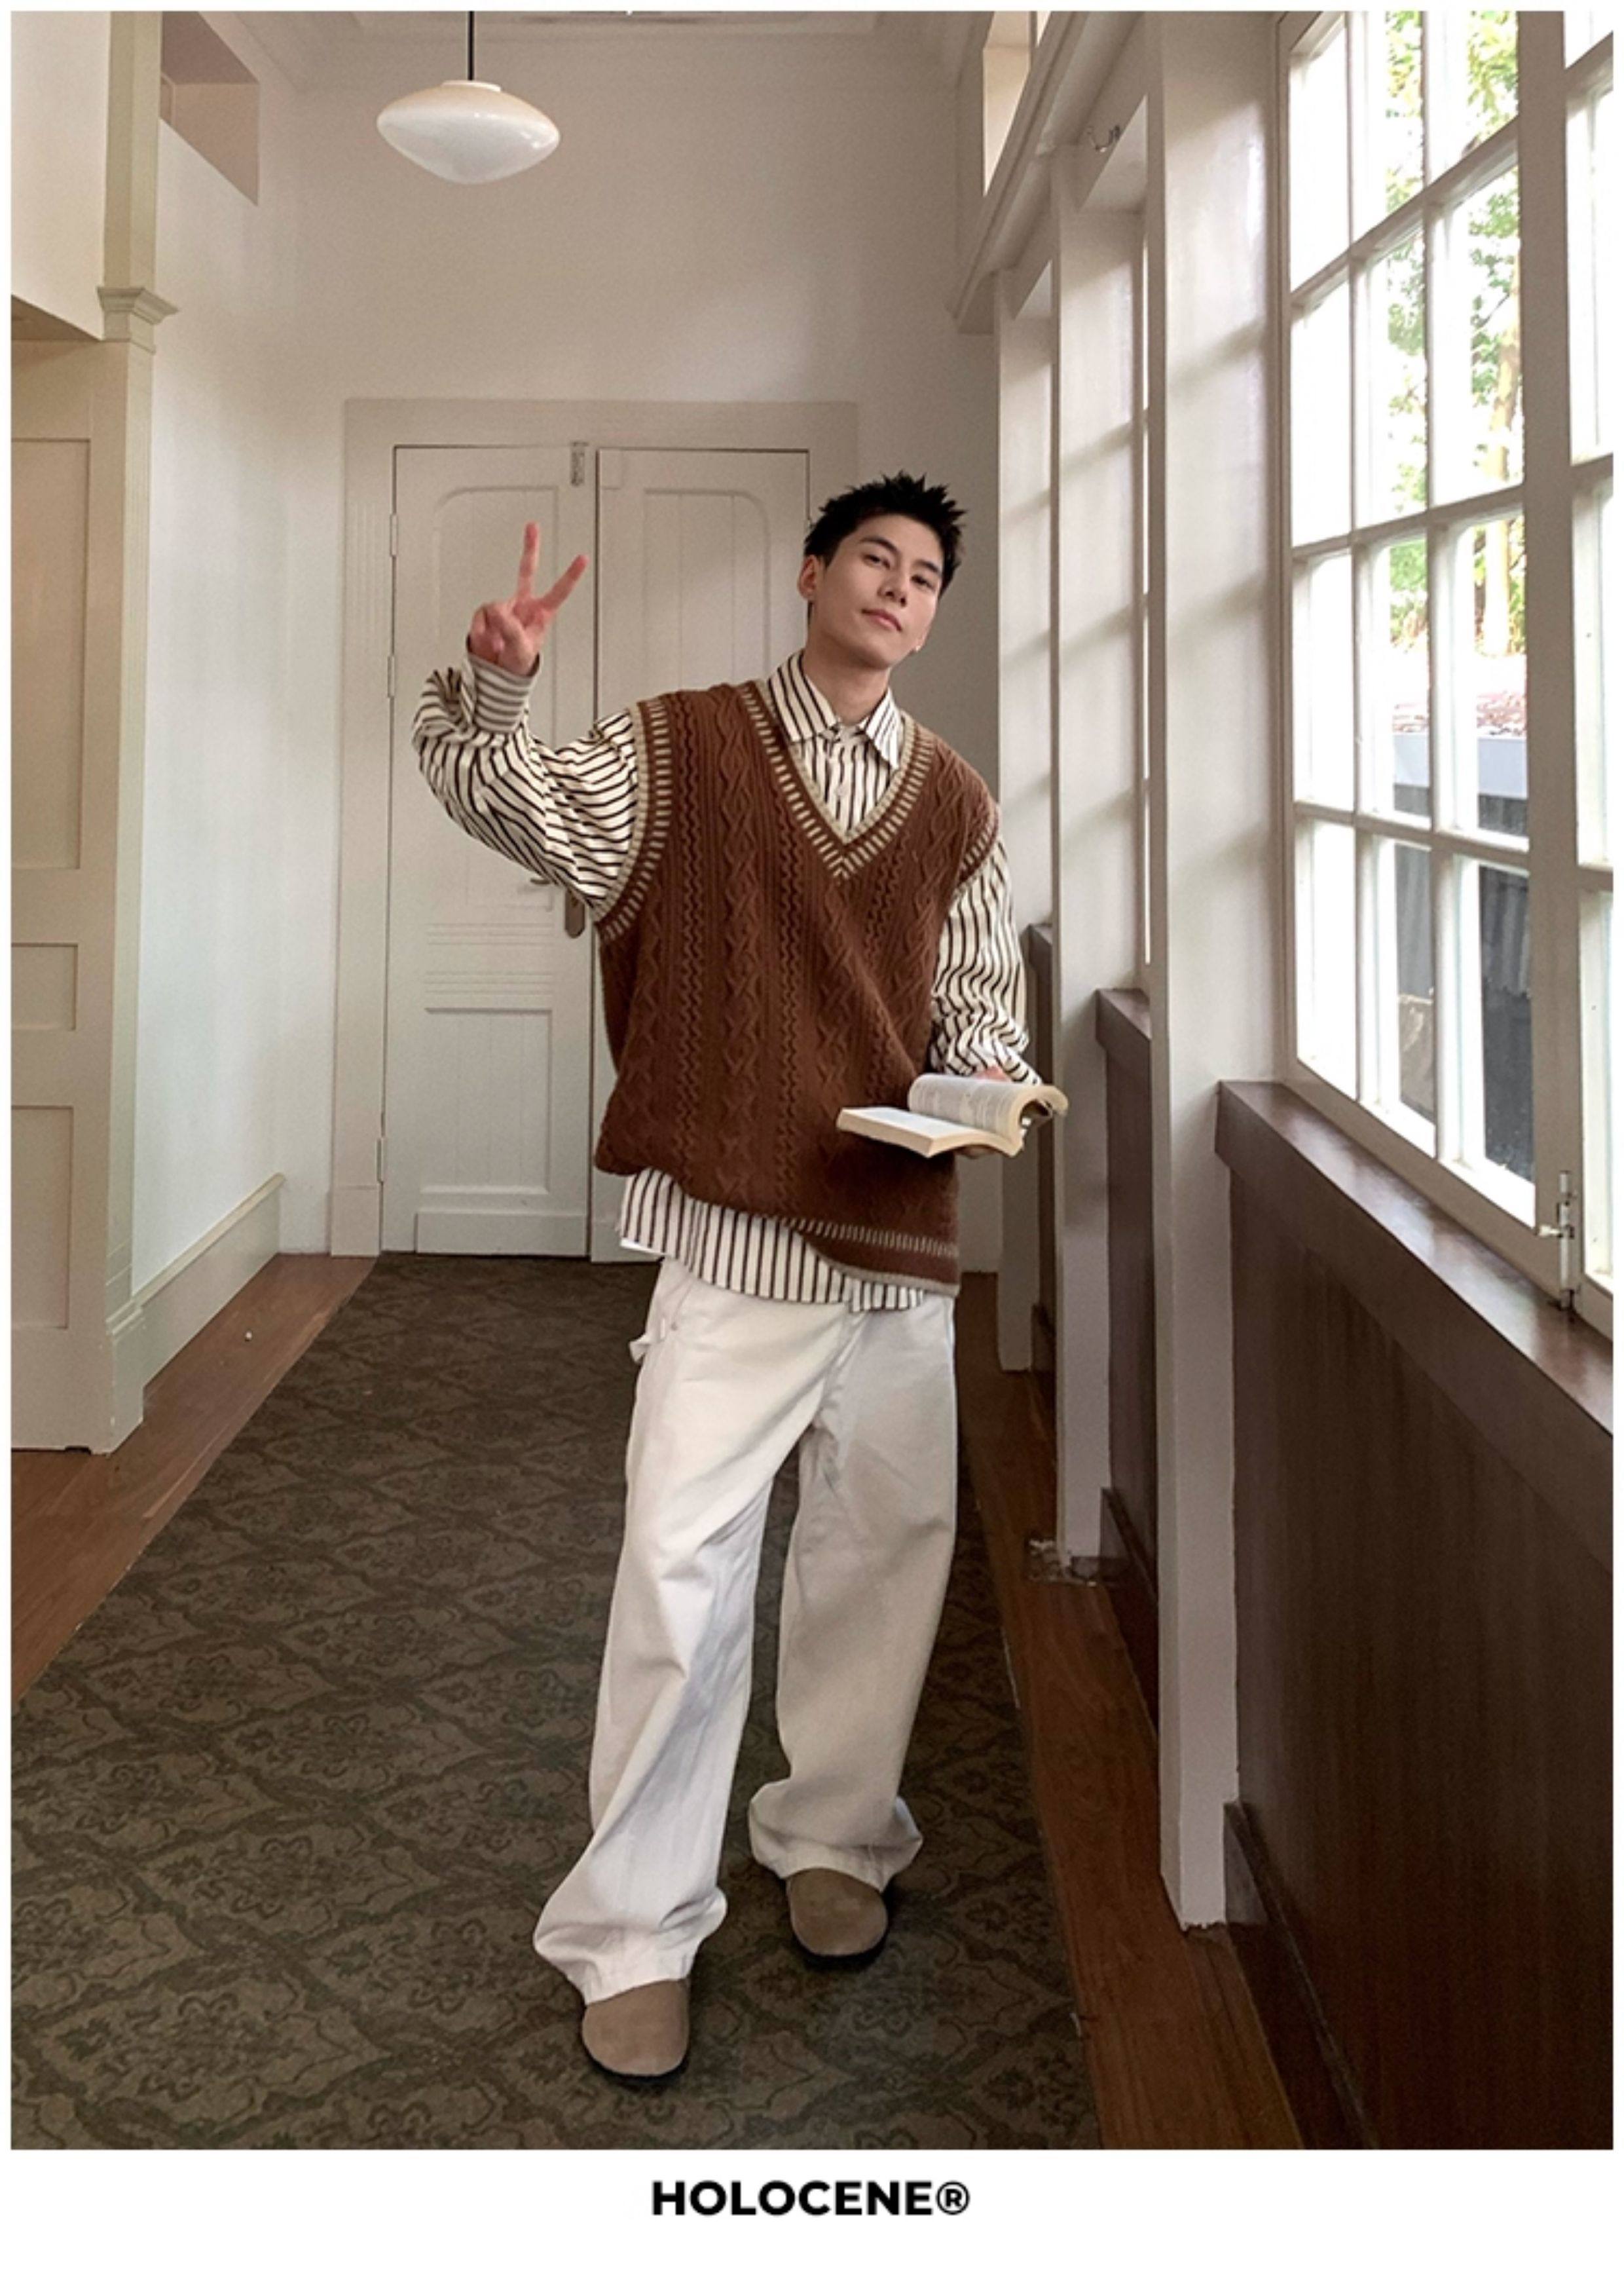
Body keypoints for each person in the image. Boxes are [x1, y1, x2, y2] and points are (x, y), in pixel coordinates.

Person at [413, 470, 1037, 2084]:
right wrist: (499, 680)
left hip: (898, 1251)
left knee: (880, 1559)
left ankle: (834, 1836)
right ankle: (633, 1929)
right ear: (811, 574)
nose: (898, 588)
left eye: (924, 577)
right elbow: (506, 795)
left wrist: (987, 1084)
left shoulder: (956, 803)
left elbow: (978, 1011)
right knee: (678, 1580)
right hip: (736, 1248)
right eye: (874, 559)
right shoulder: (680, 747)